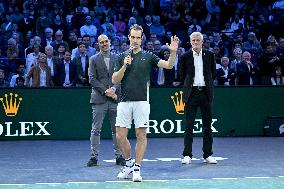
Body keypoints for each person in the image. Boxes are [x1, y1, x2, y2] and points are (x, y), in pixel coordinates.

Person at [112, 24, 179, 182]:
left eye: (138, 38)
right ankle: (128, 164)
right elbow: (115, 79)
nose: (135, 40)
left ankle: (137, 169)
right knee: (120, 135)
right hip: (124, 101)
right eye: (132, 37)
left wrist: (174, 51)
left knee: (141, 135)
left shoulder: (149, 56)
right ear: (129, 37)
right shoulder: (121, 56)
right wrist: (124, 65)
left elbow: (168, 65)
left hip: (142, 101)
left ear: (141, 39)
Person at [179, 32, 217, 165]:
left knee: (208, 126)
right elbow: (182, 75)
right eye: (193, 40)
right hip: (191, 94)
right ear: (190, 42)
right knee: (189, 125)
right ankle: (187, 155)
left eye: (198, 40)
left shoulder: (210, 55)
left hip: (206, 93)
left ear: (202, 41)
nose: (195, 42)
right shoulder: (184, 57)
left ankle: (208, 154)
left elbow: (213, 73)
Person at [87, 34, 124, 167]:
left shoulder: (118, 58)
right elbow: (92, 78)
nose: (104, 44)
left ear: (110, 42)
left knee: (117, 130)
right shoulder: (93, 59)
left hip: (114, 99)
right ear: (98, 44)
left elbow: (122, 76)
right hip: (99, 99)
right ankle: (94, 157)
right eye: (101, 42)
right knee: (96, 129)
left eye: (106, 41)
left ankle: (119, 156)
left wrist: (114, 89)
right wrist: (106, 91)